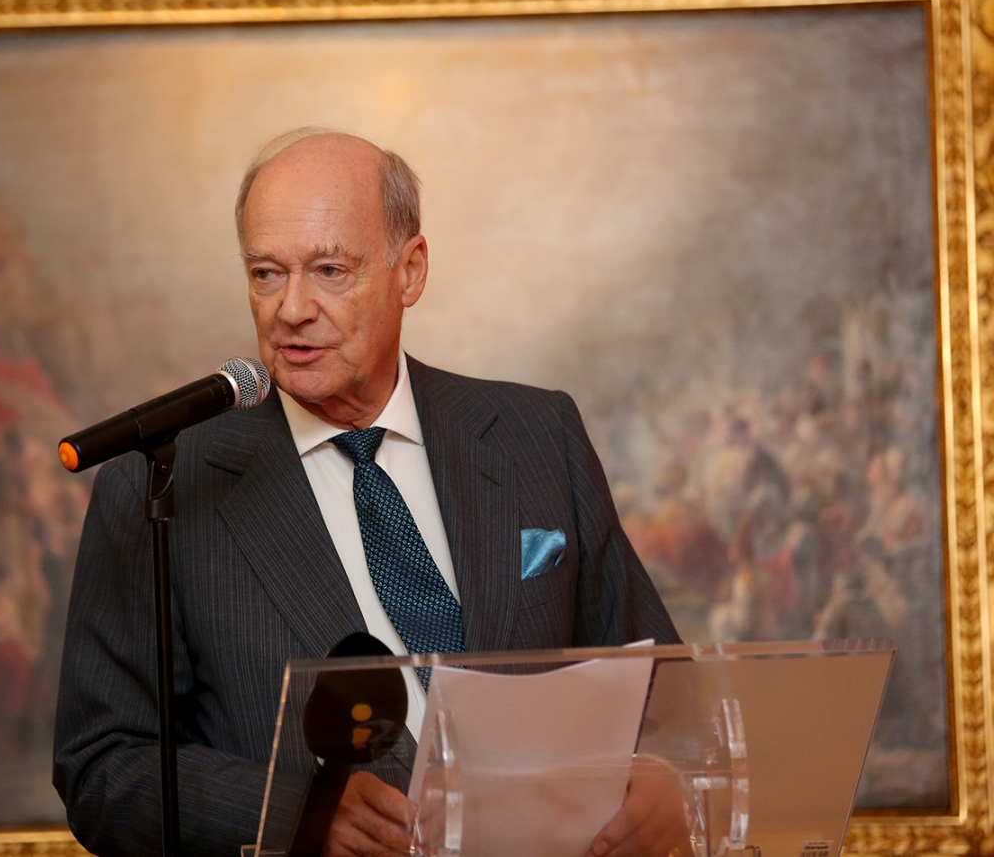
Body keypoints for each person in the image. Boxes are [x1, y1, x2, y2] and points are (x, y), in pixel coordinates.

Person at [53, 129, 680, 857]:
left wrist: (668, 775)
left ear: (409, 271)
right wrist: (299, 815)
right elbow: (102, 766)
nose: (291, 308)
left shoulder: (538, 434)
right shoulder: (159, 483)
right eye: (265, 273)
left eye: (328, 269)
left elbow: (660, 687)